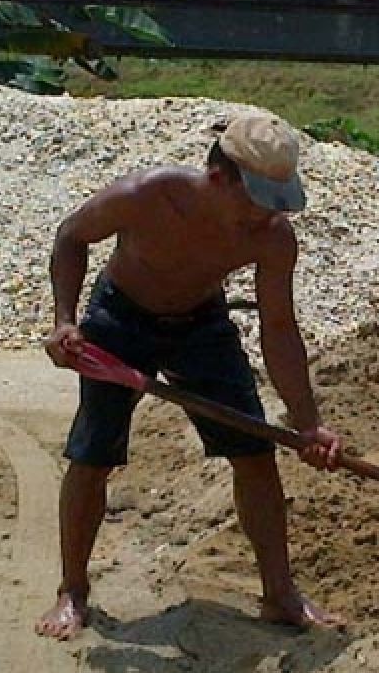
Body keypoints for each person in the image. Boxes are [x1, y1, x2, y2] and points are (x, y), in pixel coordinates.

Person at [35, 114, 347, 640]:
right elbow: (71, 235)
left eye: (275, 201)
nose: (265, 213)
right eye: (255, 198)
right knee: (92, 453)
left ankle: (280, 594)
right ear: (218, 178)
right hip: (119, 322)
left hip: (201, 325)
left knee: (253, 451)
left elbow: (279, 329)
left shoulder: (271, 238)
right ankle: (73, 591)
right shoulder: (148, 196)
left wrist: (308, 423)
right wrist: (65, 320)